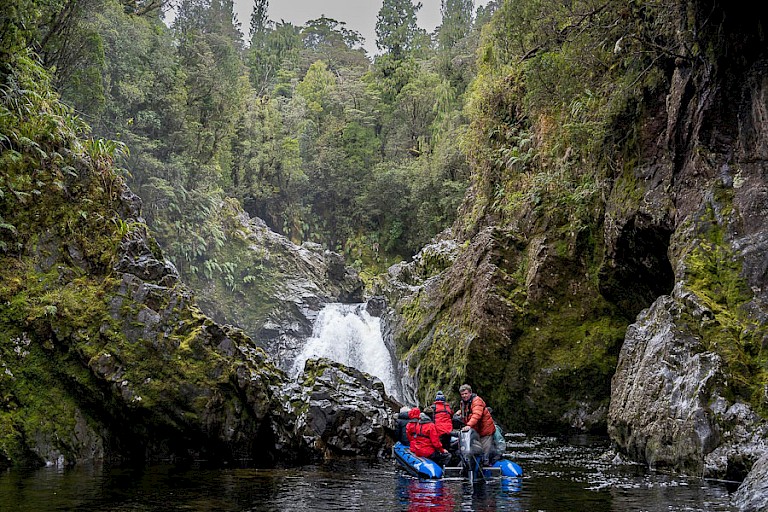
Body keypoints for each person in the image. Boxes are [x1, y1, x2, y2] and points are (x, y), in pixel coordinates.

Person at [458, 384, 496, 464]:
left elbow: (476, 414)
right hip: (476, 430)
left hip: (485, 430)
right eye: (462, 394)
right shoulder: (463, 403)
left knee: (485, 450)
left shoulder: (477, 401)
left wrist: (468, 425)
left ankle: (486, 465)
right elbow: (466, 413)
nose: (464, 396)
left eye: (466, 393)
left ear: (470, 393)